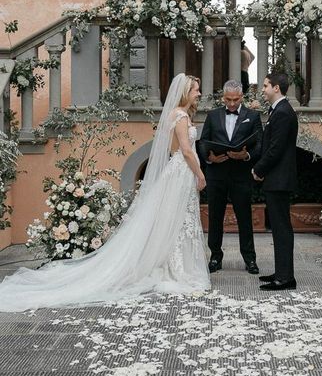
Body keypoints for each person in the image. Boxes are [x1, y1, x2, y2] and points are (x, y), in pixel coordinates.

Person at [0, 74, 211, 312]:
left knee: (177, 220)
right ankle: (178, 268)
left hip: (179, 173)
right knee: (178, 220)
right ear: (185, 91)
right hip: (182, 170)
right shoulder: (181, 116)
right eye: (195, 89)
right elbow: (185, 150)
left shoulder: (175, 114)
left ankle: (175, 265)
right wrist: (200, 174)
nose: (199, 93)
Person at [199, 80, 263, 274]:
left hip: (241, 174)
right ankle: (215, 257)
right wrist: (209, 158)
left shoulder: (252, 117)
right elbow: (203, 142)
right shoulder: (212, 115)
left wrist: (246, 155)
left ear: (242, 97)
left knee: (244, 218)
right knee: (215, 217)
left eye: (236, 100)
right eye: (228, 100)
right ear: (223, 97)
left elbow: (259, 144)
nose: (232, 104)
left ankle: (250, 259)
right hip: (216, 175)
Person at [252, 72, 298, 291]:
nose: (262, 89)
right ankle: (282, 272)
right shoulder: (278, 111)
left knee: (281, 228)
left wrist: (258, 169)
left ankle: (285, 278)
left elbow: (276, 148)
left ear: (276, 88)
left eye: (265, 86)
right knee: (279, 227)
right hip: (276, 178)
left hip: (279, 178)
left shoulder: (283, 112)